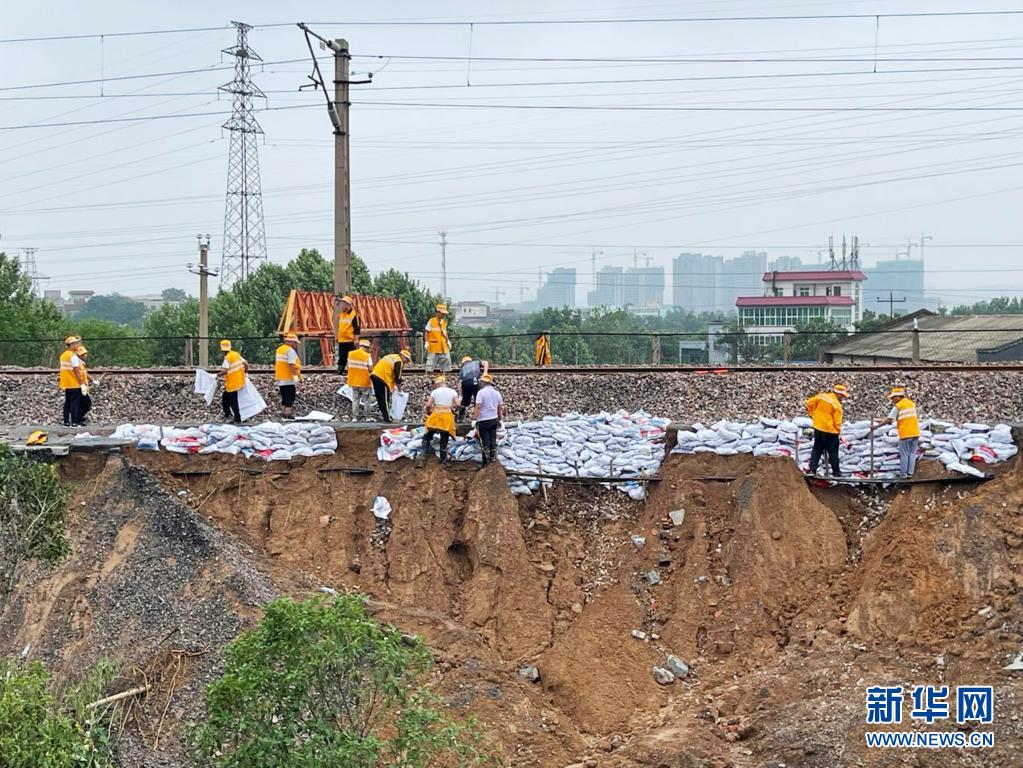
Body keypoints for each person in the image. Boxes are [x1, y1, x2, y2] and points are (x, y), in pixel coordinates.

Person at [874, 386, 921, 477]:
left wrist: (876, 427)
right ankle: (910, 473)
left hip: (906, 433)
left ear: (898, 397)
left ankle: (903, 474)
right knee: (912, 454)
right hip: (915, 433)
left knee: (904, 454)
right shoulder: (911, 403)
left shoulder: (899, 405)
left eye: (893, 397)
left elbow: (889, 419)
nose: (892, 400)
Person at [805, 383, 849, 477]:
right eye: (843, 396)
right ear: (839, 394)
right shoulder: (837, 405)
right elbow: (837, 422)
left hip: (818, 427)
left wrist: (813, 414)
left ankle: (812, 469)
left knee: (816, 449)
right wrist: (838, 432)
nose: (843, 398)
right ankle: (836, 473)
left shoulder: (821, 397)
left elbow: (809, 403)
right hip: (830, 431)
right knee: (833, 452)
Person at [423, 374, 459, 464]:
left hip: (435, 417)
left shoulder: (435, 392)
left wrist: (428, 411)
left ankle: (424, 453)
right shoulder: (452, 392)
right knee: (444, 438)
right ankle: (443, 460)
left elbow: (428, 405)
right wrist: (454, 410)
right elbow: (458, 404)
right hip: (447, 418)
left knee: (428, 434)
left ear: (438, 384)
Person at [370, 348, 413, 422]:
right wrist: (400, 390)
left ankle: (385, 416)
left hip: (375, 375)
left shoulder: (392, 356)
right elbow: (398, 378)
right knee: (385, 399)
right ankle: (387, 419)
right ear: (403, 357)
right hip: (383, 378)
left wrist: (393, 387)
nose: (406, 362)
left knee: (380, 398)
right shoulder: (399, 361)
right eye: (407, 360)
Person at [473, 373, 504, 467]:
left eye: (481, 382)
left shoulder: (481, 393)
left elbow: (478, 407)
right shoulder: (497, 393)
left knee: (485, 441)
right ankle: (493, 459)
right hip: (494, 419)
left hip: (483, 420)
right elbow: (500, 408)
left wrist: (475, 417)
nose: (480, 383)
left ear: (484, 382)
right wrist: (500, 417)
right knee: (492, 439)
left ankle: (486, 464)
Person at [216, 339, 248, 424]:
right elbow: (246, 363)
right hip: (239, 380)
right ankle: (227, 413)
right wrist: (245, 373)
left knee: (233, 400)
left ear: (222, 349)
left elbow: (225, 371)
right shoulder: (236, 354)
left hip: (232, 383)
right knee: (225, 397)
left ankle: (237, 418)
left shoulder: (227, 358)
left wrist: (215, 375)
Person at [58, 335, 86, 427]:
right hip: (74, 383)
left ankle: (66, 421)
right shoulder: (73, 356)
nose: (77, 345)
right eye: (75, 343)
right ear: (71, 345)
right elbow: (76, 371)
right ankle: (74, 422)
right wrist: (82, 384)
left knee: (67, 403)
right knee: (75, 404)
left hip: (66, 383)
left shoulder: (63, 355)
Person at [274, 333, 302, 419]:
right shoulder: (290, 351)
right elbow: (291, 365)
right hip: (288, 378)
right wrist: (296, 377)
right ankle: (288, 414)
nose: (296, 344)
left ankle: (283, 412)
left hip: (280, 377)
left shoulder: (279, 349)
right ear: (290, 342)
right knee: (290, 395)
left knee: (284, 395)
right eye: (295, 342)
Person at [346, 339, 374, 421]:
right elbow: (371, 369)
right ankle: (367, 417)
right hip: (364, 381)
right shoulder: (367, 355)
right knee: (366, 400)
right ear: (366, 347)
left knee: (355, 400)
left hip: (353, 381)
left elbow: (349, 366)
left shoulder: (350, 354)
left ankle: (355, 417)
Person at [457, 354, 489, 421]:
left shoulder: (462, 369)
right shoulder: (476, 362)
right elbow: (485, 362)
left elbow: (460, 383)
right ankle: (477, 417)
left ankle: (460, 417)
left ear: (463, 363)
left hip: (465, 383)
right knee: (477, 399)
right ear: (470, 360)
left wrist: (460, 395)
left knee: (465, 402)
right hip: (475, 381)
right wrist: (485, 372)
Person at [335, 295, 361, 376]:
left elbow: (357, 328)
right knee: (342, 357)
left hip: (350, 340)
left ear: (348, 305)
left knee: (351, 357)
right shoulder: (342, 314)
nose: (341, 306)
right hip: (342, 340)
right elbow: (341, 327)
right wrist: (337, 337)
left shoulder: (354, 315)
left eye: (343, 304)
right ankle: (340, 372)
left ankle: (352, 372)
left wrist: (356, 339)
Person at [424, 303, 451, 373]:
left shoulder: (444, 322)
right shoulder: (431, 321)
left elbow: (444, 333)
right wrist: (426, 342)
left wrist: (448, 341)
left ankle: (444, 375)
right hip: (434, 347)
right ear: (437, 313)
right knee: (430, 363)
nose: (444, 315)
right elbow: (426, 331)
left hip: (443, 347)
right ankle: (429, 375)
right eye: (442, 314)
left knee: (446, 362)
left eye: (444, 314)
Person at [76, 344, 92, 424]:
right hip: (79, 386)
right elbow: (78, 374)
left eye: (85, 354)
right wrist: (82, 385)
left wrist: (93, 380)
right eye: (83, 354)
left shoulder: (81, 363)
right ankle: (77, 418)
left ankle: (79, 417)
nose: (85, 355)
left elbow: (85, 373)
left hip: (83, 386)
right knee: (86, 403)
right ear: (80, 355)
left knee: (83, 403)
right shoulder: (78, 364)